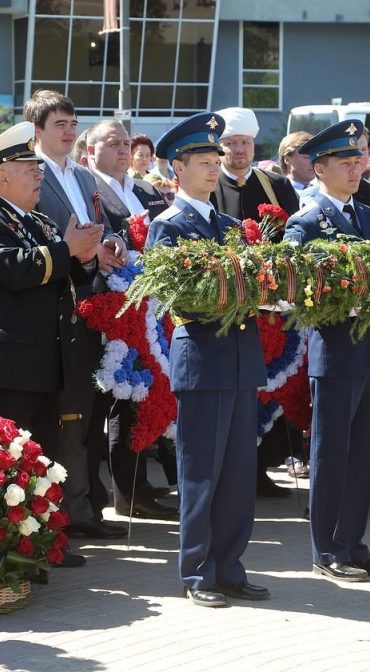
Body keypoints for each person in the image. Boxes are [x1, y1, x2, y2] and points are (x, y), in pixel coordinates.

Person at [0, 122, 103, 567]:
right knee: (2, 464)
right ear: (1, 176)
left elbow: (69, 273)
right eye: (28, 168)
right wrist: (67, 250)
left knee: (40, 461)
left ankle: (41, 543)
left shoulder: (36, 220)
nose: (39, 175)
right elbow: (19, 270)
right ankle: (0, 548)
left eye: (38, 168)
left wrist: (88, 253)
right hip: (7, 364)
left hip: (45, 359)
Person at [146, 112, 269, 608]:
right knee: (201, 471)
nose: (215, 167)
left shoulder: (227, 225)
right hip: (203, 358)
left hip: (239, 358)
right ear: (178, 167)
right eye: (204, 159)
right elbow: (177, 298)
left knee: (239, 472)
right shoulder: (168, 227)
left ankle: (230, 566)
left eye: (217, 158)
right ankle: (197, 571)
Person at [283, 120, 370, 582]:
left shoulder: (369, 217)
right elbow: (294, 287)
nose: (356, 169)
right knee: (332, 453)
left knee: (365, 454)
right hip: (335, 350)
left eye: (359, 161)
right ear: (319, 168)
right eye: (346, 163)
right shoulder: (306, 221)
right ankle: (326, 548)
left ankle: (354, 543)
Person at [26, 89, 128, 540]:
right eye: (59, 125)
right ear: (37, 131)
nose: (68, 132)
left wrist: (113, 246)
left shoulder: (87, 178)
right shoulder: (28, 174)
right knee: (64, 418)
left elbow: (107, 226)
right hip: (54, 306)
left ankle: (87, 504)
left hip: (93, 301)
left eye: (72, 124)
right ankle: (67, 511)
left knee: (88, 414)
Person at [86, 119, 174, 519]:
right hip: (111, 311)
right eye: (112, 143)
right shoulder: (88, 188)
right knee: (110, 403)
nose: (123, 150)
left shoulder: (147, 190)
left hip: (150, 312)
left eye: (126, 143)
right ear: (91, 150)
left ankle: (137, 486)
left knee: (140, 400)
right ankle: (114, 493)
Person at [211, 107, 301, 497]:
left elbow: (295, 233)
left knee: (268, 390)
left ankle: (261, 468)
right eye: (231, 144)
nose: (238, 151)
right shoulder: (208, 182)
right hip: (225, 307)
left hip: (272, 308)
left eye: (245, 143)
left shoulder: (275, 184)